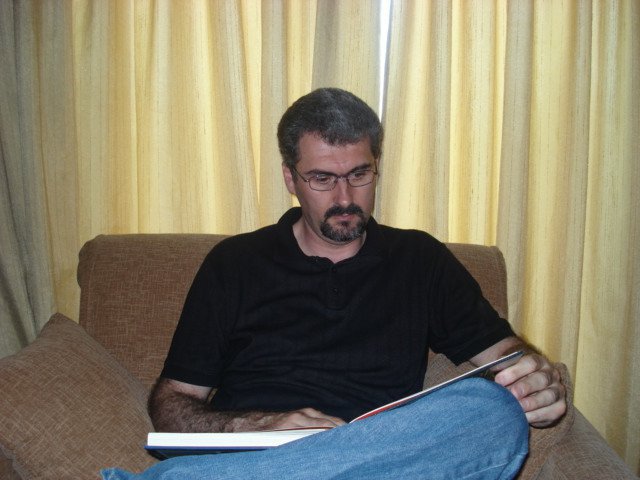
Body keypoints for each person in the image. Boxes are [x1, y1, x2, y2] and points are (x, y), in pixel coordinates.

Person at [101, 88, 566, 479]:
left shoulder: (420, 260)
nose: (345, 198)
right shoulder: (234, 264)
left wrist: (534, 378)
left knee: (491, 411)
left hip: (380, 457)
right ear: (290, 178)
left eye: (359, 174)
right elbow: (172, 404)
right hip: (256, 463)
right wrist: (259, 426)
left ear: (376, 166)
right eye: (322, 178)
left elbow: (506, 355)